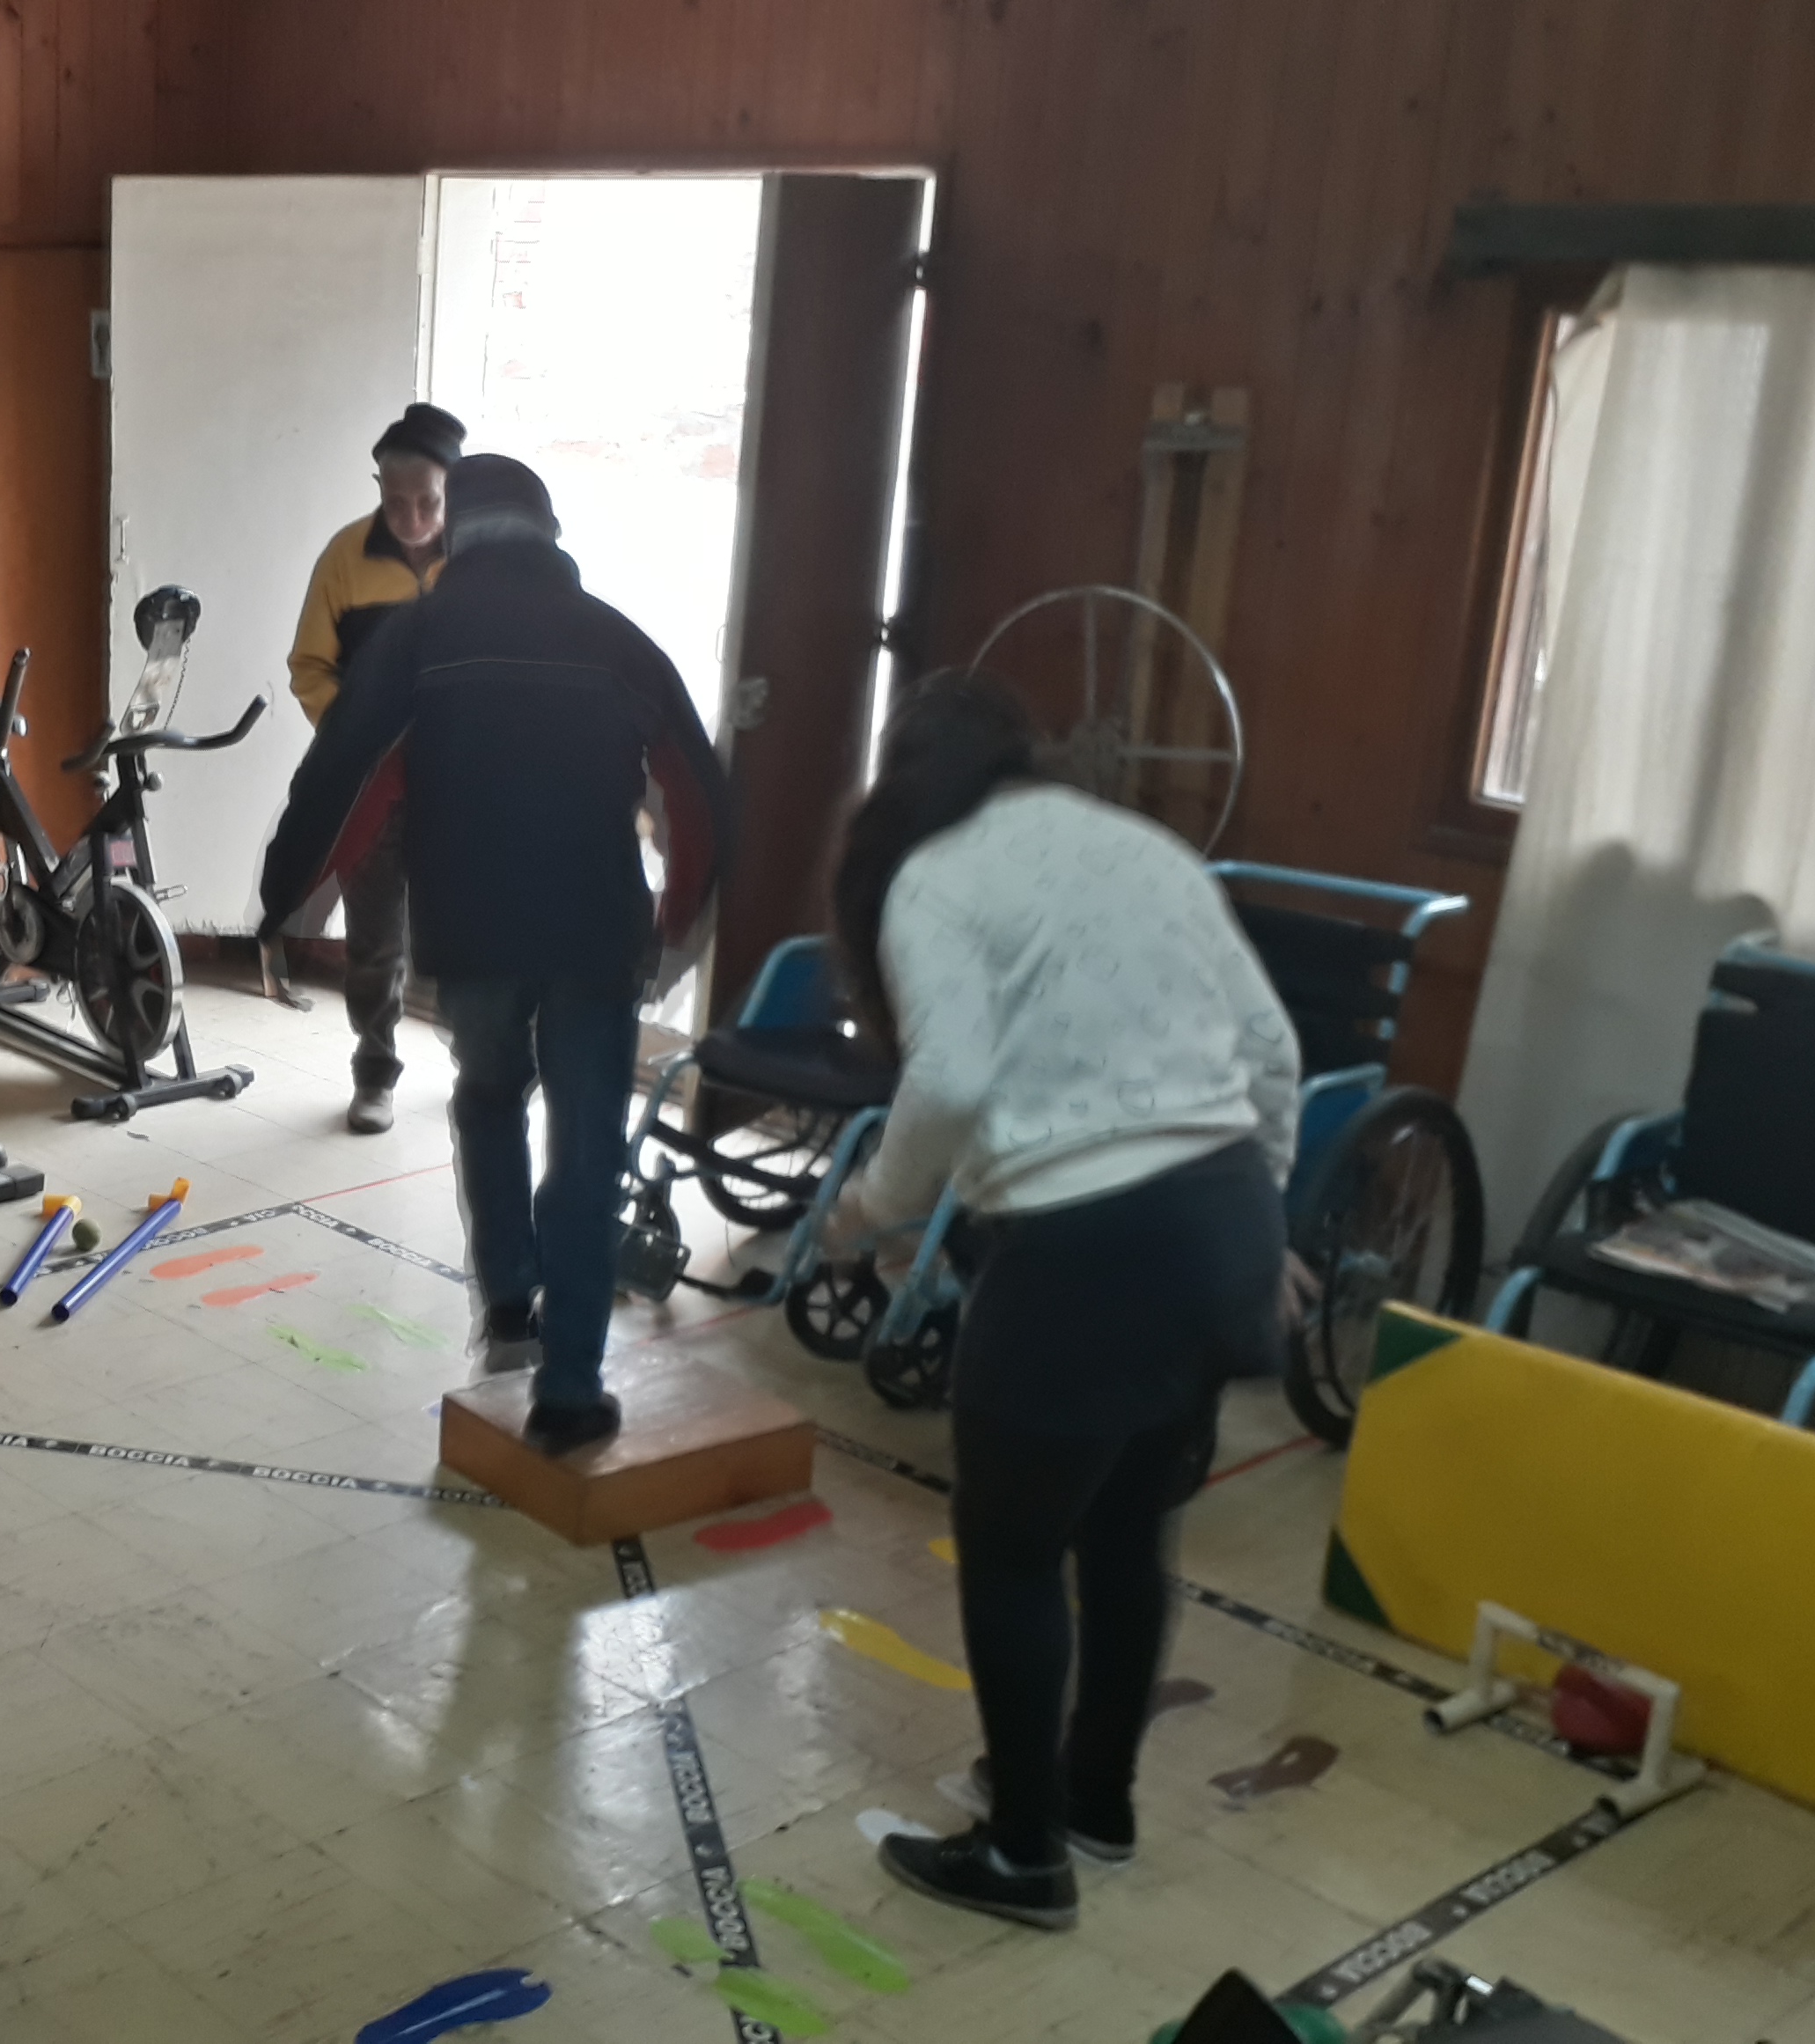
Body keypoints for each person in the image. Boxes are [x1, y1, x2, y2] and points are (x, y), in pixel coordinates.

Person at [820, 674, 1304, 1931]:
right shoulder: (1144, 846)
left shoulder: (933, 874)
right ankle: (1097, 1800)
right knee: (1131, 1535)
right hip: (1222, 1222)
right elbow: (1273, 1052)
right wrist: (1260, 1215)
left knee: (1014, 1550)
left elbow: (950, 1076)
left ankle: (1025, 1854)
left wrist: (869, 1205)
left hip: (1084, 1249)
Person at [259, 455, 731, 1452]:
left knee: (487, 1098)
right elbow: (700, 796)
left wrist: (286, 905)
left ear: (455, 535)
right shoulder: (618, 639)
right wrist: (677, 927)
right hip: (597, 932)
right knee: (589, 1145)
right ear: (551, 533)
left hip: (473, 933)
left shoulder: (420, 638)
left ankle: (510, 1307)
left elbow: (345, 777)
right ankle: (571, 1390)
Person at [286, 402, 464, 1134]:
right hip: (370, 786)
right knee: (374, 936)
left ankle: (477, 1066)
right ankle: (374, 1072)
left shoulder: (480, 563)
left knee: (463, 933)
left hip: (462, 783)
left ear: (453, 491)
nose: (412, 517)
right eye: (396, 501)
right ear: (379, 489)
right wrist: (357, 741)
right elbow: (309, 665)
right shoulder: (344, 558)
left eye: (428, 501)